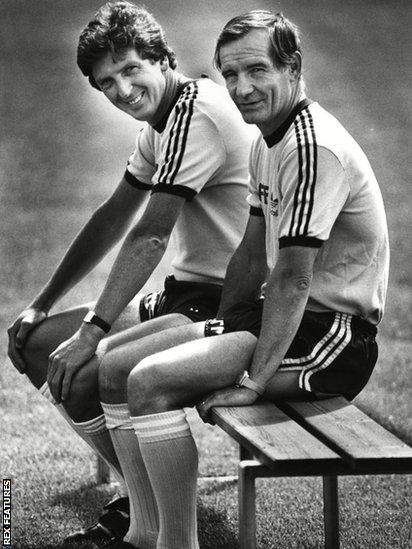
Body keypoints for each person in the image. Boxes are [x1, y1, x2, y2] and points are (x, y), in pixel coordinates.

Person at [89, 9, 390, 549]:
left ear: (292, 68)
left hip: (331, 338)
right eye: (229, 74)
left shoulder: (313, 147)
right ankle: (144, 532)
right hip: (277, 318)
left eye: (256, 71)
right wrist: (221, 328)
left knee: (149, 382)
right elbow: (251, 258)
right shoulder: (265, 138)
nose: (241, 88)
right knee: (113, 364)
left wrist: (250, 383)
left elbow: (296, 279)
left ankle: (174, 543)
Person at [6, 1, 255, 545]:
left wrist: (91, 332)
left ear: (162, 58)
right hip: (184, 294)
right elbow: (115, 217)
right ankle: (141, 495)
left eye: (129, 70)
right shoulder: (161, 123)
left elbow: (150, 234)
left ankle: (151, 518)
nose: (121, 91)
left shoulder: (199, 112)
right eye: (105, 83)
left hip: (227, 305)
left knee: (88, 365)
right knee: (36, 344)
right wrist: (43, 303)